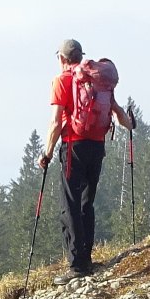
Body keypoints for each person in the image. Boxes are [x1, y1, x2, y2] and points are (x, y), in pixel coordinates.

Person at [43, 38, 136, 280]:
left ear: (62, 59)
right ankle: (86, 258)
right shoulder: (98, 81)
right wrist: (131, 125)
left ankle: (77, 265)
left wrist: (47, 153)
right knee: (87, 202)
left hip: (74, 146)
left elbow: (55, 123)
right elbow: (118, 114)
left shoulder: (62, 80)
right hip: (97, 145)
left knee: (70, 205)